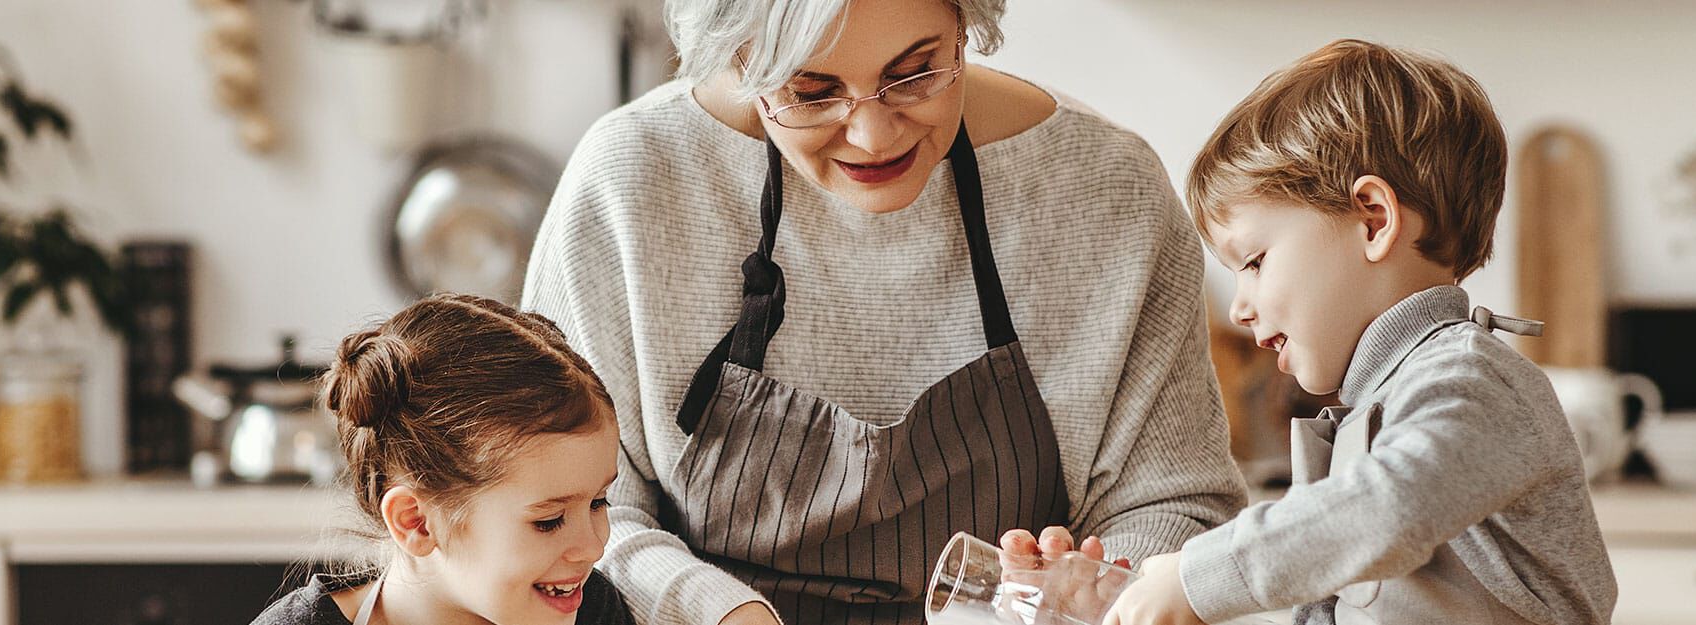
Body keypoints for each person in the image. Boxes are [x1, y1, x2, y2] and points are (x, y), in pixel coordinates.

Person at [519, 0, 1245, 622]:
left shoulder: (1106, 188)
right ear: (739, 61)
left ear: (966, 26)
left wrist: (1094, 587)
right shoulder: (634, 182)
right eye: (810, 90)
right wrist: (719, 610)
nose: (871, 135)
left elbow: (1178, 504)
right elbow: (547, 511)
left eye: (915, 73)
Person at [1104, 39, 1618, 625]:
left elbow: (1390, 507)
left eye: (1253, 262)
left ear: (1373, 219)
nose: (1241, 309)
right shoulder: (1381, 403)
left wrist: (1199, 578)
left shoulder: (1471, 381)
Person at [250, 294, 635, 625]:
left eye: (598, 502)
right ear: (416, 522)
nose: (593, 547)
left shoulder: (593, 610)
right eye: (549, 521)